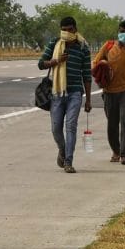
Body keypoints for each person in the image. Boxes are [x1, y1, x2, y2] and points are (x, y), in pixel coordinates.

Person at [38, 17, 92, 174]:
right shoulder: (55, 43)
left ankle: (68, 161)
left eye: (69, 29)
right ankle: (62, 149)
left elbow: (87, 75)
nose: (67, 32)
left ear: (75, 29)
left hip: (75, 93)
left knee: (71, 127)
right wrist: (56, 61)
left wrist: (88, 99)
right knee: (56, 128)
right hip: (56, 92)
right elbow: (41, 63)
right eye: (64, 30)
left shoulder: (83, 47)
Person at [93, 20, 125, 165]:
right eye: (122, 31)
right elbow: (95, 63)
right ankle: (116, 151)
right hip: (109, 92)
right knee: (112, 124)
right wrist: (102, 64)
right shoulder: (108, 46)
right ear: (118, 32)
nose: (124, 34)